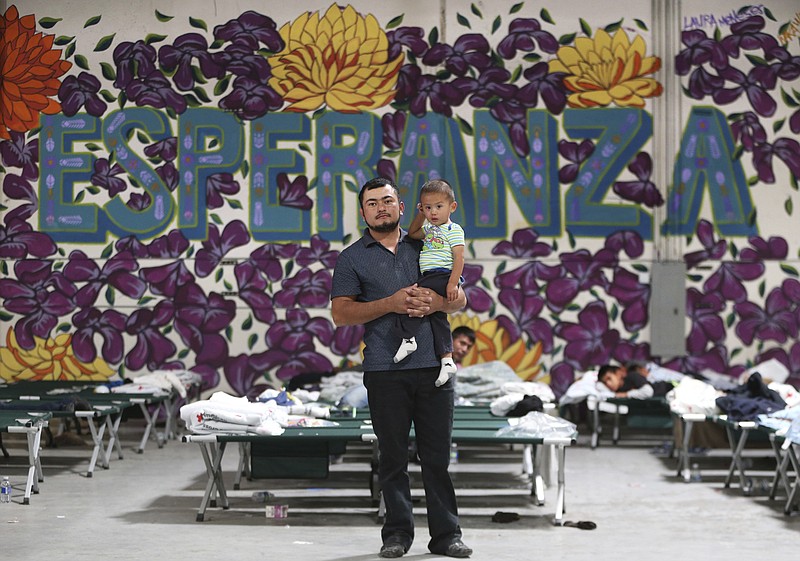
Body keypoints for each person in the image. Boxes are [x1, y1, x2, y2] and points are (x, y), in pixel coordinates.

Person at [331, 177, 473, 559]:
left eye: (388, 201)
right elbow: (341, 313)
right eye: (373, 202)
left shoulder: (428, 240)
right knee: (392, 458)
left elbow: (459, 299)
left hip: (434, 369)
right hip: (383, 370)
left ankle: (447, 535)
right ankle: (396, 534)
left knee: (437, 458)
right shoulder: (352, 257)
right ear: (363, 212)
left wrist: (437, 303)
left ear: (401, 206)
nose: (381, 207)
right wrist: (389, 303)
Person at [391, 180, 465, 388]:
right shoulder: (430, 230)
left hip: (442, 275)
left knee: (412, 300)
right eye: (427, 207)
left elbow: (459, 259)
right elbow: (413, 233)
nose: (433, 212)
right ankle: (447, 359)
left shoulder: (454, 229)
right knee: (437, 318)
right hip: (431, 275)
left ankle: (408, 338)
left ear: (452, 207)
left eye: (438, 207)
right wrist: (420, 215)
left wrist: (452, 284)